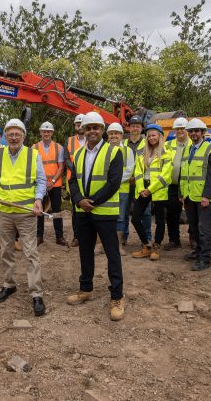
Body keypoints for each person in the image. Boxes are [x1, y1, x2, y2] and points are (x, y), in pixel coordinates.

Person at [0, 118, 47, 317]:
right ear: (5, 136)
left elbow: (41, 180)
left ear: (23, 136)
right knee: (6, 250)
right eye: (10, 134)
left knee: (30, 252)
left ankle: (36, 294)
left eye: (17, 133)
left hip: (26, 211)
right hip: (4, 211)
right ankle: (9, 284)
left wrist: (38, 199)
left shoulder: (32, 155)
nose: (14, 137)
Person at [67, 112, 126, 321]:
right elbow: (72, 180)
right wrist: (78, 200)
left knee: (112, 255)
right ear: (83, 129)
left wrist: (91, 201)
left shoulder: (114, 152)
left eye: (96, 127)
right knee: (85, 251)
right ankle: (86, 288)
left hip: (105, 212)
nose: (92, 131)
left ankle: (117, 297)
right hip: (83, 212)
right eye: (89, 127)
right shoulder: (80, 154)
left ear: (102, 130)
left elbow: (113, 182)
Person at [179, 119, 211, 271]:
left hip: (203, 197)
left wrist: (207, 196)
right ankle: (197, 251)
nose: (193, 134)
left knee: (204, 229)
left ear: (203, 133)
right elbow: (183, 173)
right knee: (194, 227)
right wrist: (181, 193)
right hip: (189, 196)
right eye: (191, 131)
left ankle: (205, 258)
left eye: (197, 131)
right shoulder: (187, 150)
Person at [131, 124, 172, 261]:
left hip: (158, 188)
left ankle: (157, 247)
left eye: (154, 135)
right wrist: (141, 188)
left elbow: (166, 175)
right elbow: (137, 171)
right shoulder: (142, 151)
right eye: (149, 135)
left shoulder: (167, 152)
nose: (151, 138)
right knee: (135, 218)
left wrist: (150, 189)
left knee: (160, 220)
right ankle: (146, 246)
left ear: (160, 136)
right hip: (143, 188)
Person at [33, 121, 67, 246]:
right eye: (44, 131)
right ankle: (39, 236)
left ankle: (59, 236)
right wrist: (43, 183)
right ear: (41, 133)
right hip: (40, 185)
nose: (46, 133)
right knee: (39, 209)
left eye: (48, 131)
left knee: (57, 211)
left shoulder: (59, 147)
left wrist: (52, 181)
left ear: (52, 133)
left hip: (55, 184)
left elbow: (61, 167)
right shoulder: (34, 148)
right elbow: (33, 167)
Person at [106, 122, 135, 256]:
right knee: (103, 216)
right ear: (108, 135)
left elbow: (129, 170)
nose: (113, 136)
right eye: (111, 133)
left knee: (120, 218)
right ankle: (100, 245)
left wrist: (113, 181)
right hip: (105, 190)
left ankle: (118, 246)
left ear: (121, 135)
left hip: (122, 190)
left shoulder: (127, 150)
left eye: (116, 133)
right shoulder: (103, 150)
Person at [124, 115, 152, 247]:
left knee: (145, 213)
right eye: (133, 126)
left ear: (141, 128)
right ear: (129, 127)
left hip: (141, 183)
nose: (135, 128)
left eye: (138, 126)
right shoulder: (123, 143)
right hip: (125, 183)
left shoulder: (148, 143)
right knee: (123, 211)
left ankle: (146, 238)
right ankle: (123, 237)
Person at [164, 117, 189, 251]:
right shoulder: (168, 145)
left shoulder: (193, 144)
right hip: (172, 185)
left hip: (189, 184)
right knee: (172, 214)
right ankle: (174, 240)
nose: (180, 131)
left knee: (192, 213)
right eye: (178, 128)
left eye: (183, 128)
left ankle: (194, 238)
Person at [66, 114, 86, 247]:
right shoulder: (69, 141)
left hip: (89, 179)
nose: (79, 126)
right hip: (73, 180)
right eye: (77, 124)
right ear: (75, 126)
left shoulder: (91, 139)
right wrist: (76, 170)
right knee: (76, 210)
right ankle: (77, 237)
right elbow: (66, 158)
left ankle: (90, 237)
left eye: (82, 124)